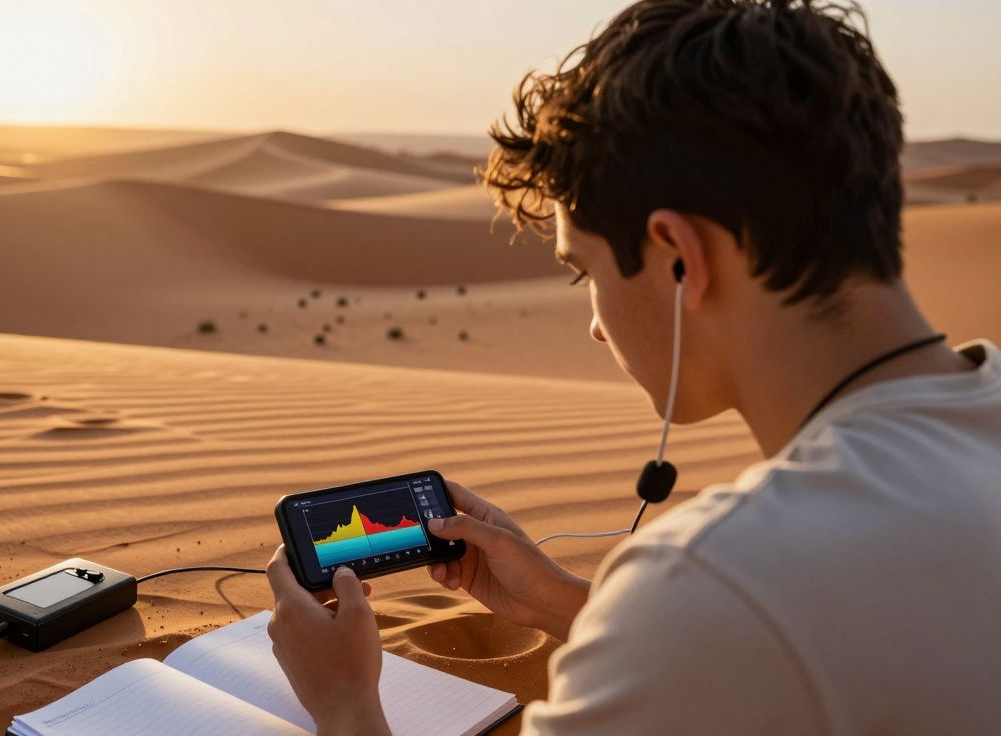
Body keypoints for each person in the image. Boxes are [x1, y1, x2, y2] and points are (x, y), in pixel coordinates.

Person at [264, 0, 1001, 733]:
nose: (594, 324)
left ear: (681, 258)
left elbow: (738, 623)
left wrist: (347, 703)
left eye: (583, 272)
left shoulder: (720, 581)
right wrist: (562, 602)